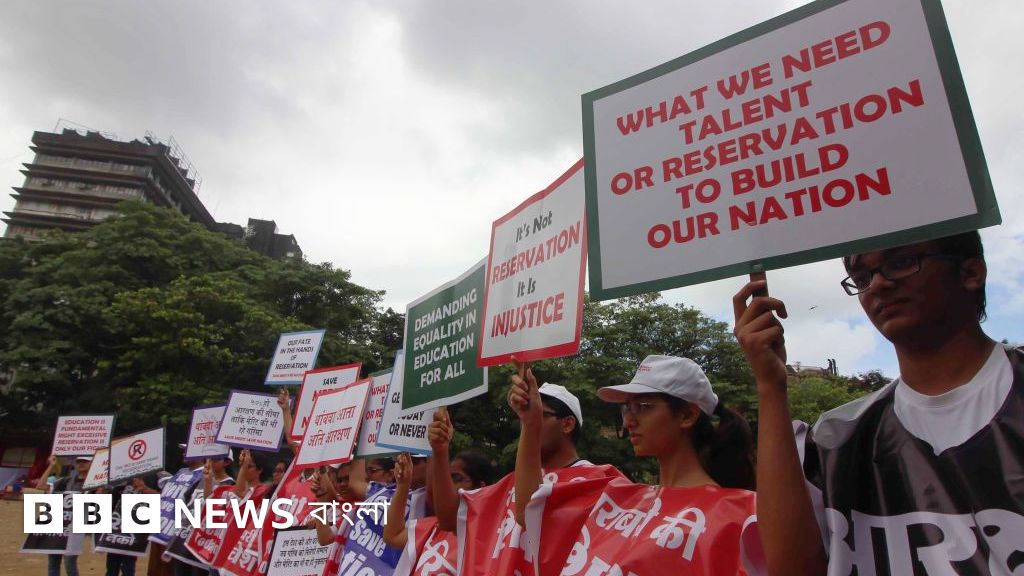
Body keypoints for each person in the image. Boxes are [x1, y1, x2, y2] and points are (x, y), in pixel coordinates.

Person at [734, 231, 1023, 574]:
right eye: (861, 278)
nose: (878, 284)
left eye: (902, 262)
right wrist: (770, 387)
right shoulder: (832, 441)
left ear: (971, 272)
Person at [513, 355, 763, 575]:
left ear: (687, 415)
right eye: (627, 409)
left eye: (643, 407)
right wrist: (531, 424)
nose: (628, 422)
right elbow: (529, 514)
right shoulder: (618, 497)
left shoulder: (738, 517)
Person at [36, 454, 91, 576]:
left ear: (92, 464)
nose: (81, 464)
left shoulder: (94, 484)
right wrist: (51, 466)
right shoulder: (65, 481)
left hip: (75, 529)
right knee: (53, 563)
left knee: (69, 564)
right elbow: (40, 486)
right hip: (58, 527)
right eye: (79, 462)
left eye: (85, 462)